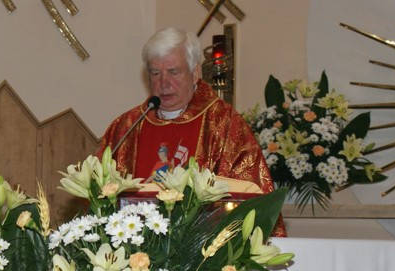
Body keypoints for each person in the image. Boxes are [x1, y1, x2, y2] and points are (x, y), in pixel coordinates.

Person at [99, 27, 276, 195]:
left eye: (173, 72)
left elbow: (251, 192)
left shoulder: (225, 124)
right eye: (155, 73)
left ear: (195, 72)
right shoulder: (125, 128)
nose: (164, 83)